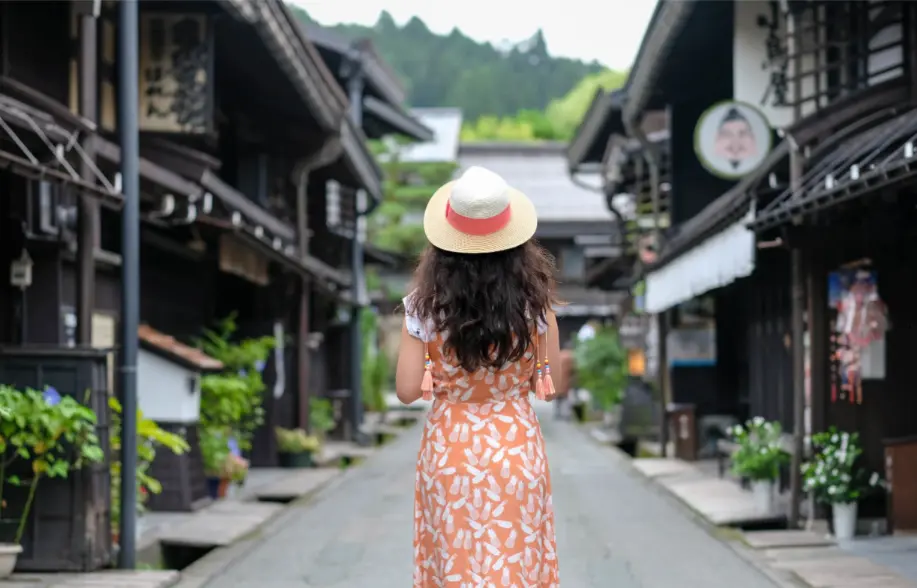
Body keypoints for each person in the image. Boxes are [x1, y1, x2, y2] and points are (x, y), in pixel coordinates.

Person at [396, 166, 562, 587]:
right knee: (515, 564)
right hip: (515, 447)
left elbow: (406, 389)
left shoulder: (423, 308)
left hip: (450, 447)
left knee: (454, 563)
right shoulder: (537, 308)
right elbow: (549, 382)